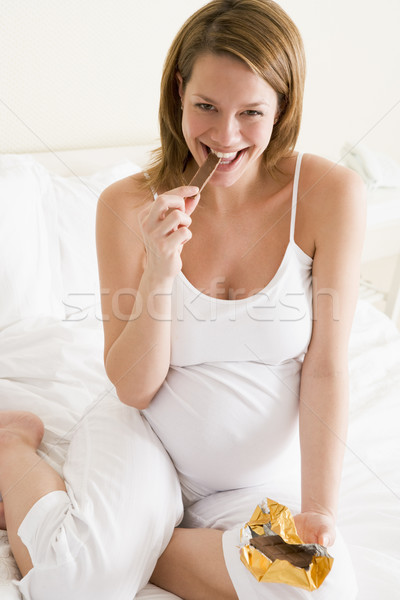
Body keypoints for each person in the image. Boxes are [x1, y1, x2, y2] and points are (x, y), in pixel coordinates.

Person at [0, 0, 365, 598]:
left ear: (283, 107)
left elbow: (327, 366)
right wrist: (160, 268)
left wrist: (318, 509)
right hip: (144, 444)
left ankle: (133, 545)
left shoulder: (328, 194)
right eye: (206, 107)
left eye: (251, 112)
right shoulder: (125, 204)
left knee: (320, 584)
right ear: (178, 94)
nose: (224, 137)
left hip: (250, 486)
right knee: (76, 587)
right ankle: (13, 442)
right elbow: (134, 387)